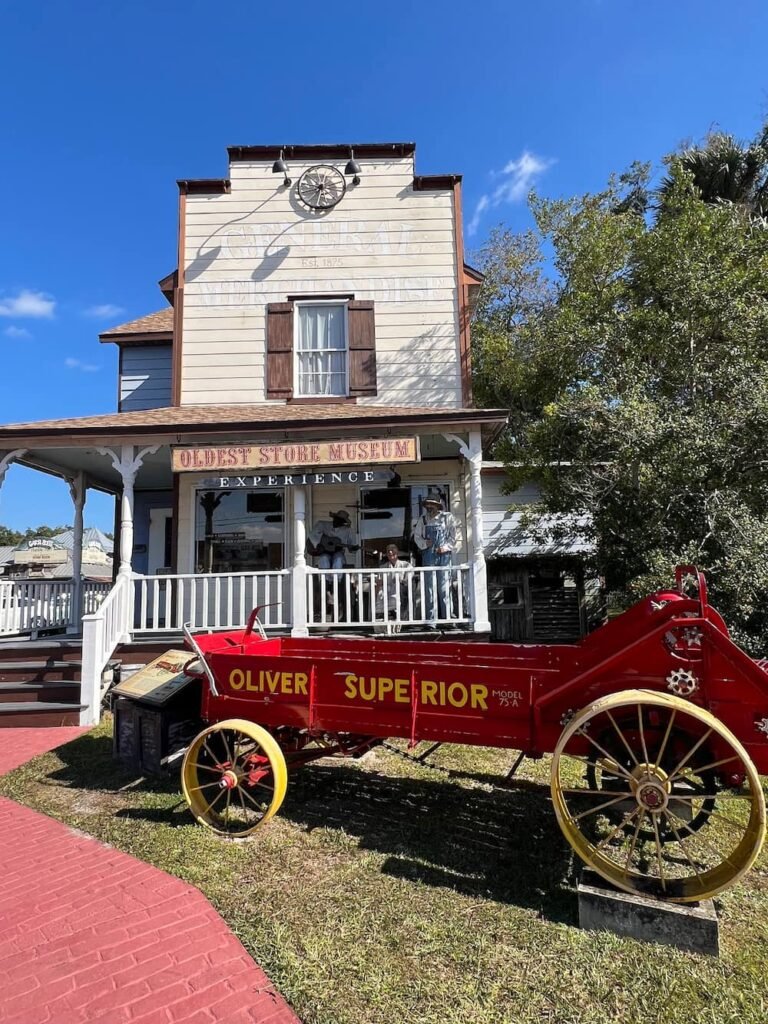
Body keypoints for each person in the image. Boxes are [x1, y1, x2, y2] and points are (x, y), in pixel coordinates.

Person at [411, 491, 457, 627]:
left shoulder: (447, 517)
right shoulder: (423, 519)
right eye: (428, 504)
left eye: (432, 504)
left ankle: (448, 619)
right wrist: (425, 544)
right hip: (428, 556)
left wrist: (446, 547)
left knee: (444, 587)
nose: (429, 506)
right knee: (429, 588)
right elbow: (417, 537)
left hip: (444, 556)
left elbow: (453, 537)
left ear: (438, 505)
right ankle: (431, 620)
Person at [375, 543, 413, 626]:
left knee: (398, 591)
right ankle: (382, 615)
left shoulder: (405, 564)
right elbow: (379, 580)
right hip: (386, 589)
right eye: (389, 553)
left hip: (400, 588)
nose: (391, 555)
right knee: (380, 594)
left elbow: (409, 576)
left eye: (393, 553)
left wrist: (402, 580)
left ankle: (400, 617)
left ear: (397, 554)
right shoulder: (383, 567)